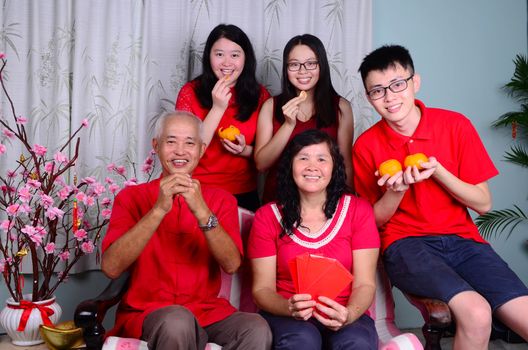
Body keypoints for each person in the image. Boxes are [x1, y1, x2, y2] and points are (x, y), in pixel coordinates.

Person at [353, 44, 528, 349]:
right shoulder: (366, 146)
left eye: (397, 85)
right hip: (406, 244)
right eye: (377, 91)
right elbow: (371, 222)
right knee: (476, 313)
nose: (390, 97)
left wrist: (439, 171)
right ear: (369, 98)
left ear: (415, 82)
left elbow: (483, 203)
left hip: (464, 241)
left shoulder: (455, 125)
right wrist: (396, 192)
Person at [101, 111, 272, 350]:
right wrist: (158, 210)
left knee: (256, 327)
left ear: (201, 150)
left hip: (208, 312)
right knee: (178, 321)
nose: (180, 151)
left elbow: (231, 264)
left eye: (189, 143)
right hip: (150, 312)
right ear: (156, 146)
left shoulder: (221, 200)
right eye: (171, 141)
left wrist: (202, 210)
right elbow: (111, 267)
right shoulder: (131, 197)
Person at [248, 129, 379, 349]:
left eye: (321, 159)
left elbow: (365, 283)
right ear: (290, 166)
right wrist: (288, 307)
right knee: (302, 341)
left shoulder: (359, 211)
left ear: (334, 167)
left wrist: (348, 314)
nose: (312, 166)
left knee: (356, 342)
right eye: (303, 158)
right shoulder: (266, 217)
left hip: (345, 310)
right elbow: (262, 290)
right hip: (287, 317)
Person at [176, 24, 270, 212]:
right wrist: (217, 108)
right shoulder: (190, 92)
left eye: (235, 55)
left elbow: (266, 158)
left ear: (246, 59)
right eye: (219, 54)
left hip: (243, 193)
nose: (227, 63)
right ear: (209, 57)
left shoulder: (260, 96)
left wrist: (244, 150)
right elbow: (185, 150)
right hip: (197, 189)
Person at [254, 34, 354, 204]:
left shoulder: (341, 107)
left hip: (327, 203)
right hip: (279, 201)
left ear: (321, 66)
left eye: (311, 63)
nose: (302, 71)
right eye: (294, 64)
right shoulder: (270, 106)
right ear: (286, 69)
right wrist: (288, 125)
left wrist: (350, 203)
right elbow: (261, 165)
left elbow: (345, 165)